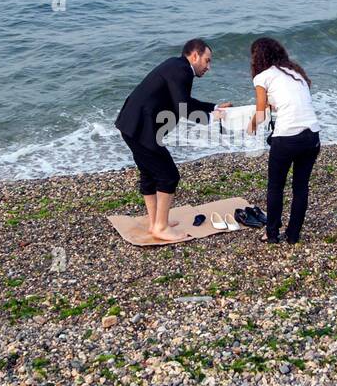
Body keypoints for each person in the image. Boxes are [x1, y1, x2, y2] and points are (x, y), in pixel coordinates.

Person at [114, 39, 230, 242]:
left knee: (149, 173)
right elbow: (183, 107)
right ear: (195, 56)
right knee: (169, 176)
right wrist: (211, 118)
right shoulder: (182, 71)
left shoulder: (177, 66)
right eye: (207, 61)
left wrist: (214, 107)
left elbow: (184, 101)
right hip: (141, 128)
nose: (208, 67)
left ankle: (155, 223)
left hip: (132, 124)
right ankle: (161, 227)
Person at [247, 37, 321, 244]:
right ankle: (293, 235)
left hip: (287, 138)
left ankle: (271, 235)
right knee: (300, 187)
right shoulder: (296, 74)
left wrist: (251, 125)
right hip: (312, 135)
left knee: (275, 186)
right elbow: (292, 103)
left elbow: (261, 115)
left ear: (257, 57)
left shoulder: (263, 77)